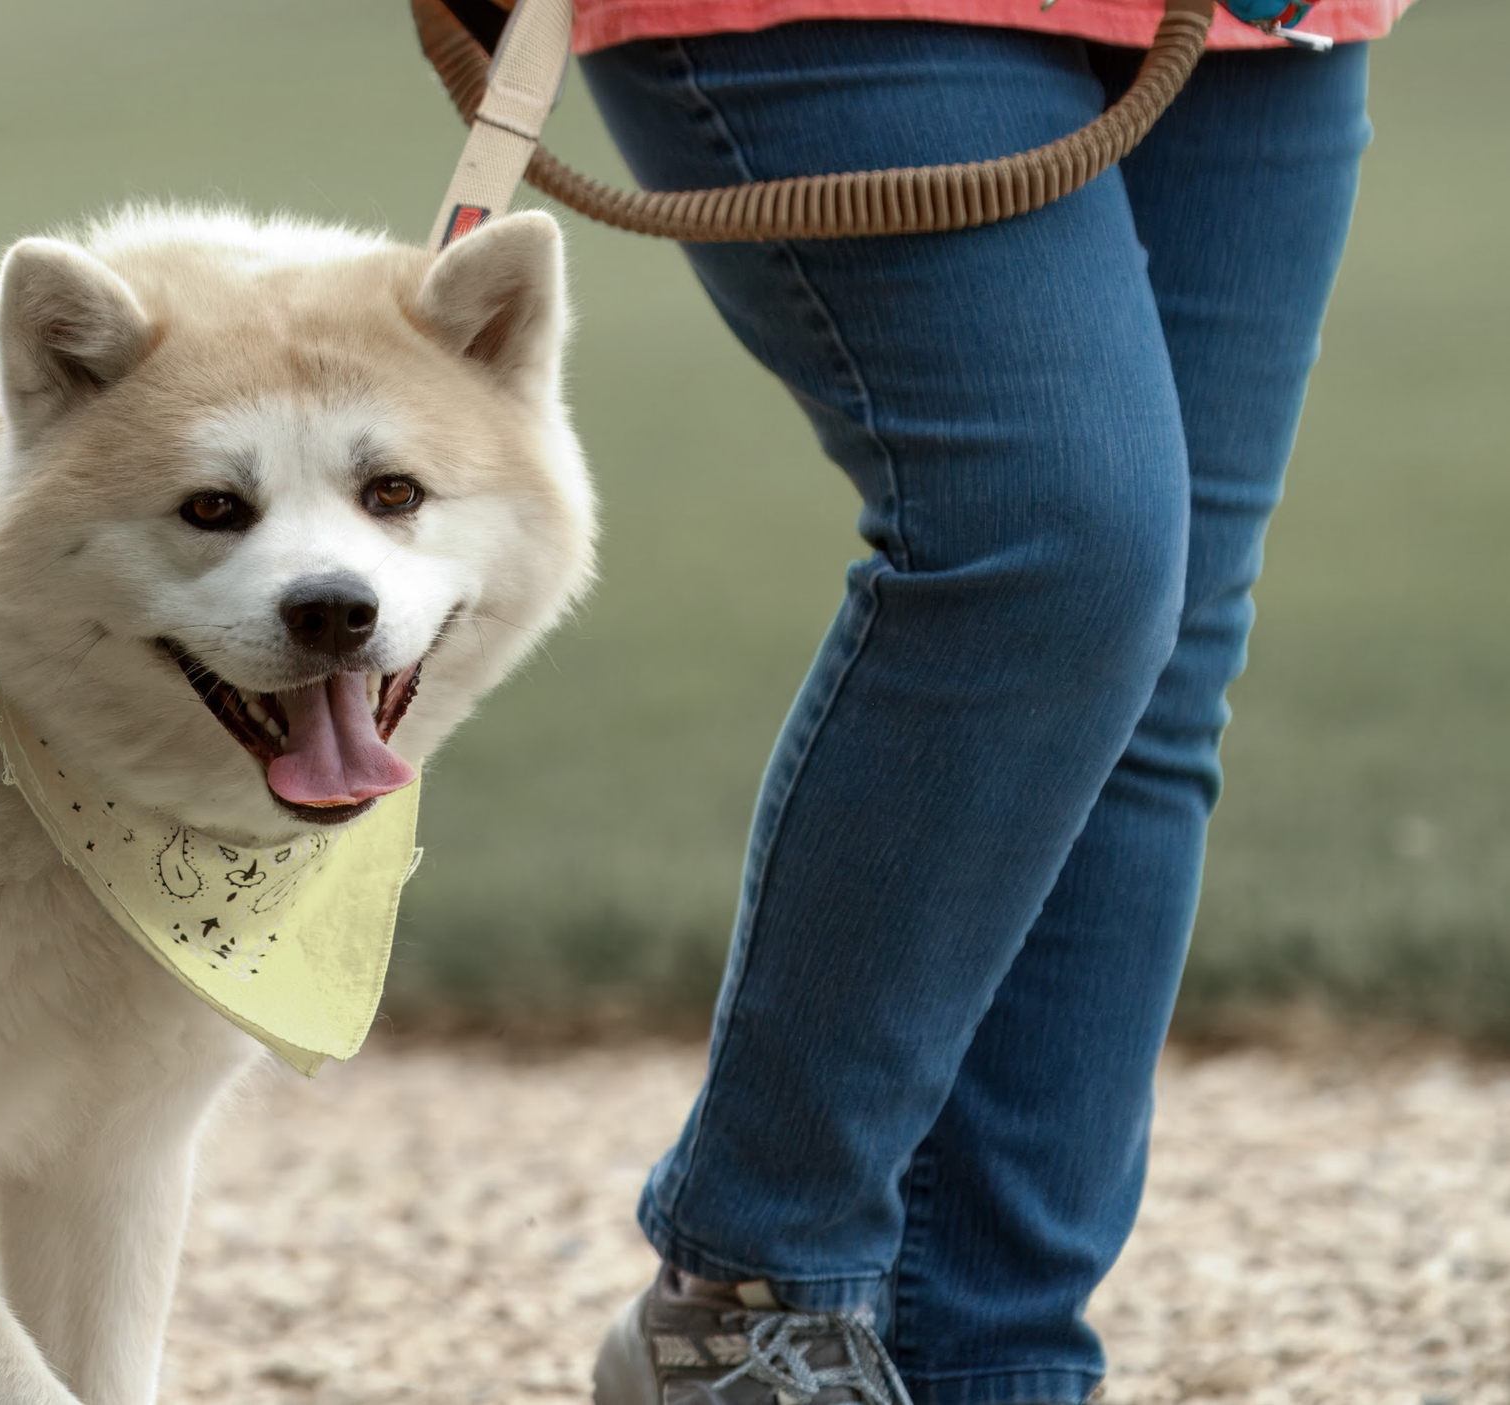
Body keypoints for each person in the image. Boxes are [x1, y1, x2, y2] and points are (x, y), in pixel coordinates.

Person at [552, 1, 1415, 1401]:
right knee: (1061, 551)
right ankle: (754, 1300)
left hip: (1257, 25)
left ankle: (991, 1366)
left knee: (1152, 659)